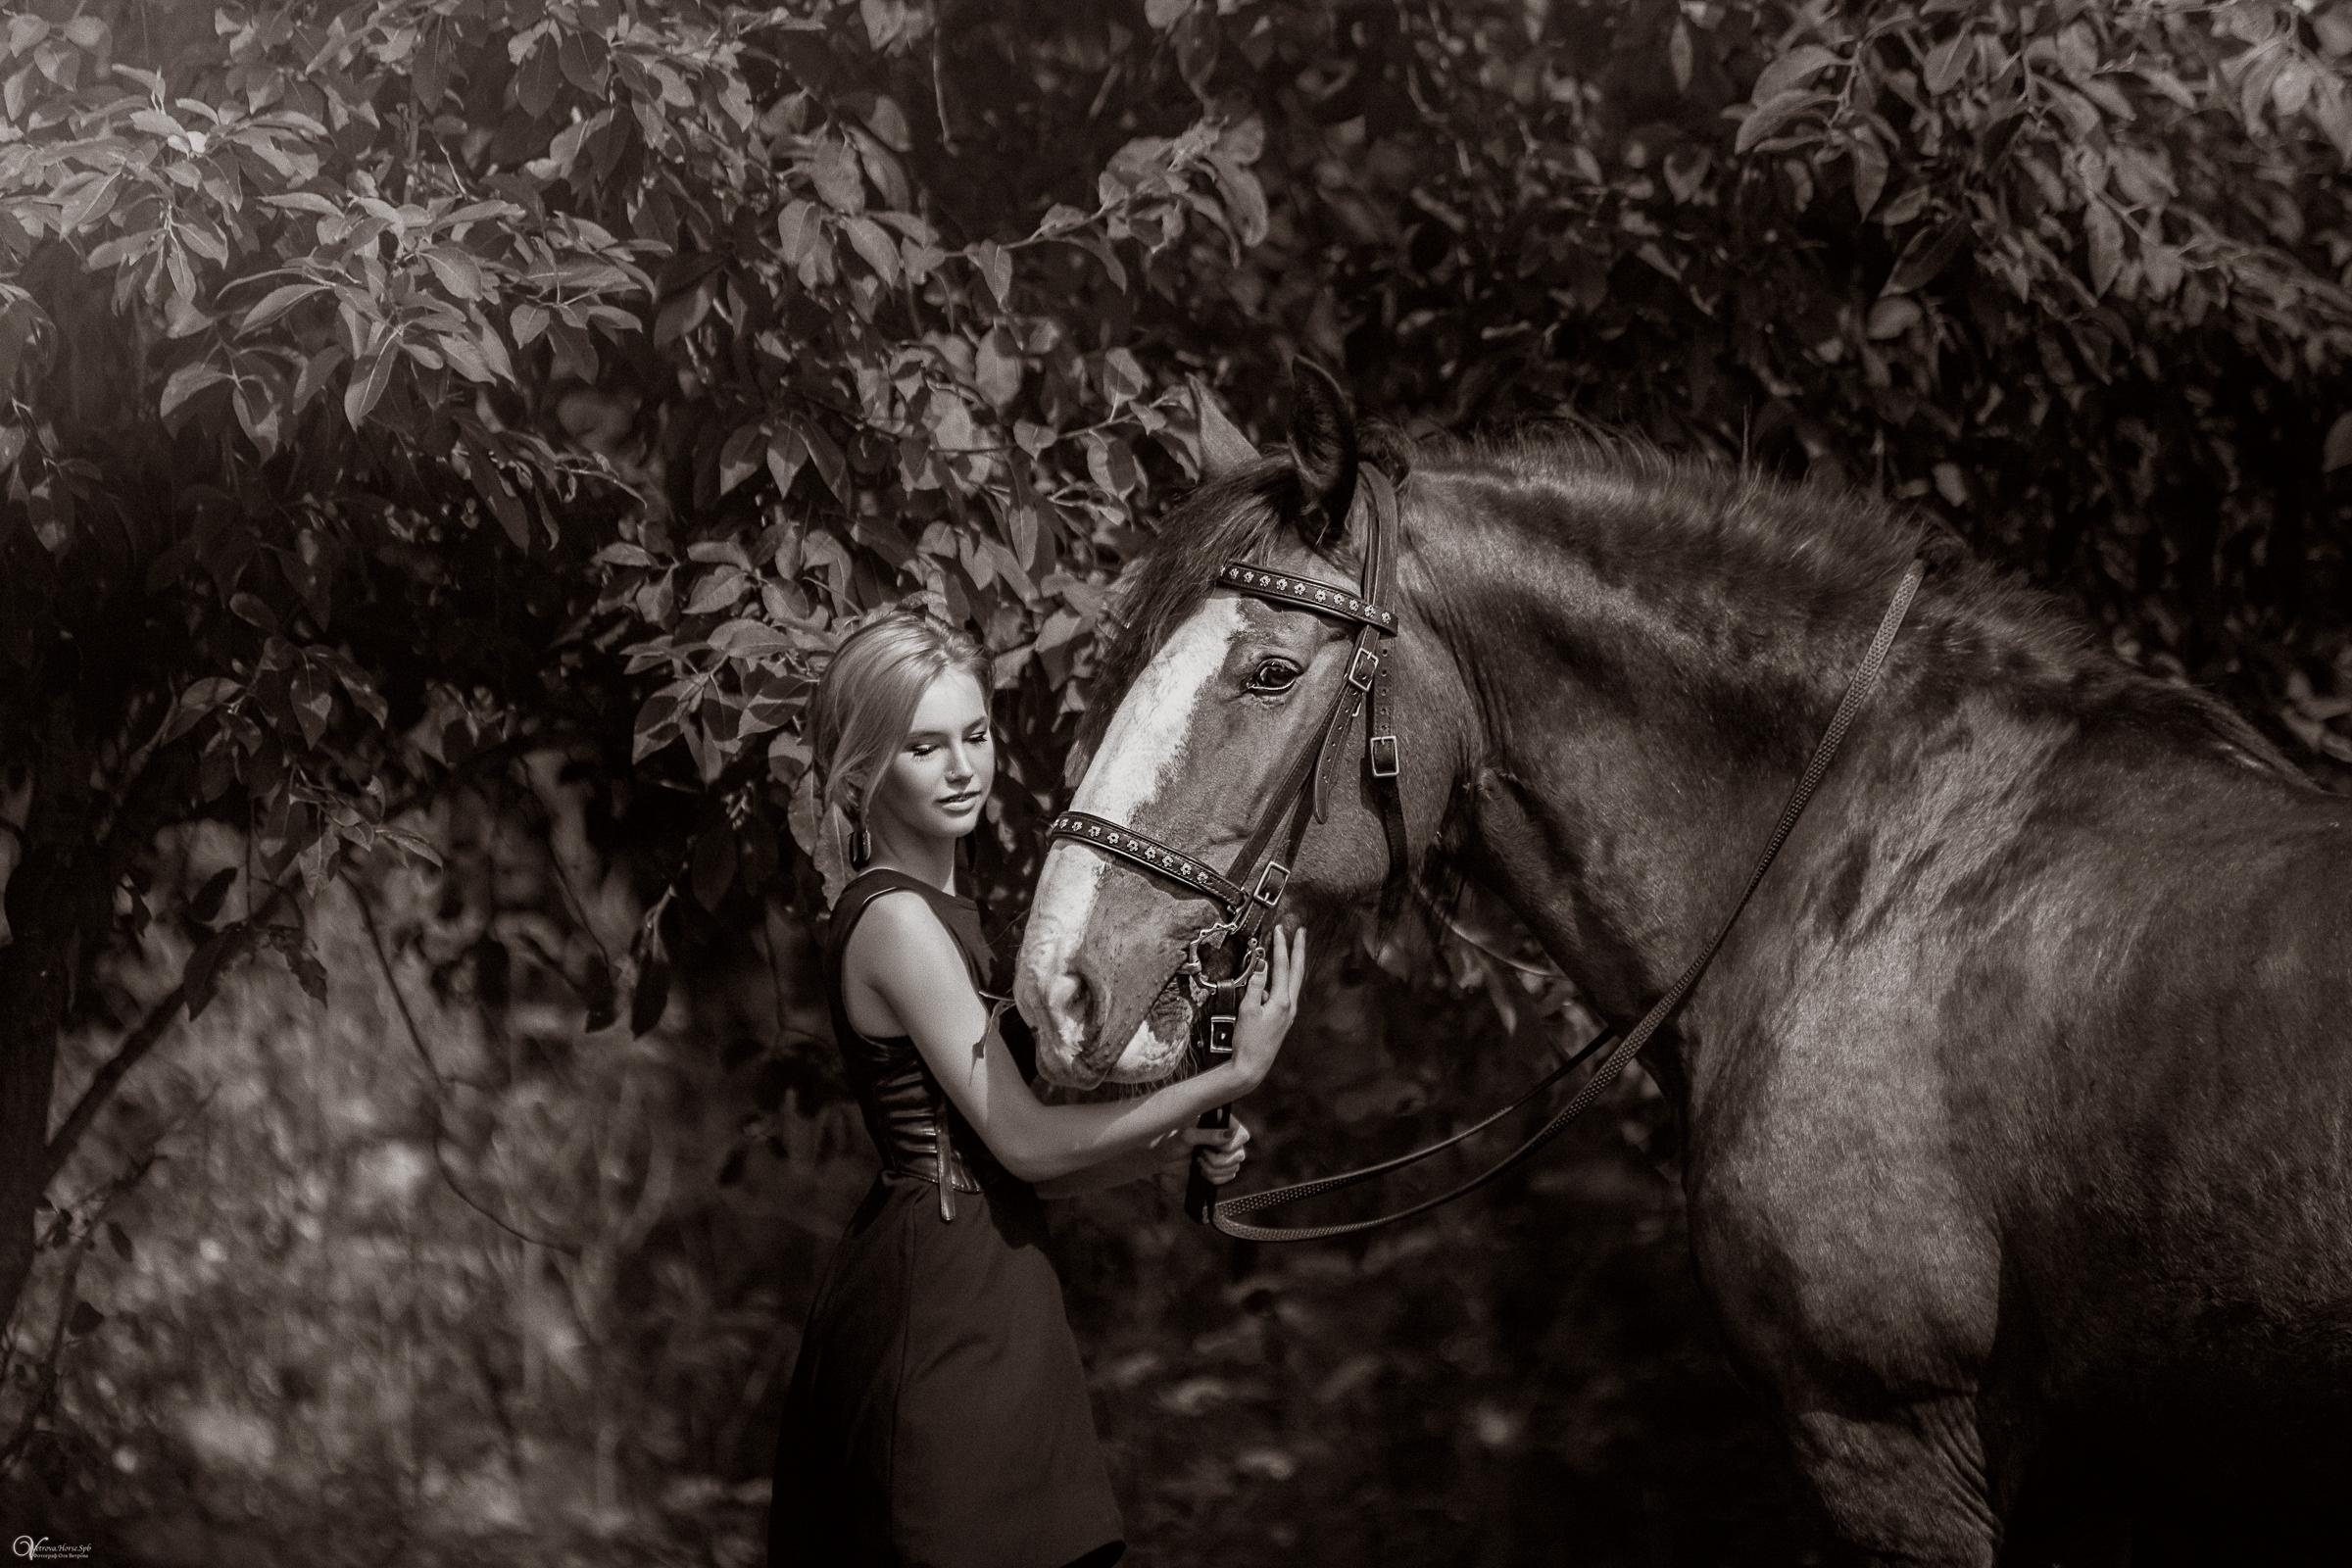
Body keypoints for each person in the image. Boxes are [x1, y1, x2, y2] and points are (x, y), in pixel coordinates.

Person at [770, 606, 1306, 1568]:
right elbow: (1022, 1143)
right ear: (859, 774)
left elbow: (1028, 1170)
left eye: (974, 734)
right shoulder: (894, 922)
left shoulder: (955, 918)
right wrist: (1234, 1074)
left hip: (1002, 1288)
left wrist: (1171, 1146)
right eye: (924, 747)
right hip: (940, 1309)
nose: (962, 767)